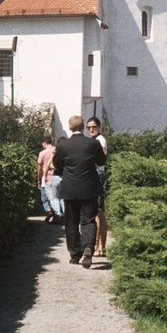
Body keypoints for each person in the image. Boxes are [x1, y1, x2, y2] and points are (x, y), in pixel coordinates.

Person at [52, 115, 107, 268]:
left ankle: (75, 254)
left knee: (71, 222)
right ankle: (88, 247)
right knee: (88, 219)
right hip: (89, 188)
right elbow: (102, 161)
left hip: (69, 188)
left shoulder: (63, 146)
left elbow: (57, 165)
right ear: (83, 127)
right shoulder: (93, 143)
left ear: (70, 127)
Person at [87, 117, 110, 257]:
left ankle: (99, 246)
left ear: (99, 127)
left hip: (98, 176)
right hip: (97, 176)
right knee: (99, 213)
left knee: (98, 213)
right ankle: (101, 246)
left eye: (93, 126)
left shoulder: (99, 140)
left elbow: (101, 158)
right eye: (88, 127)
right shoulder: (96, 140)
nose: (91, 129)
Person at [36, 135, 58, 223]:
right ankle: (57, 216)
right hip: (57, 176)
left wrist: (38, 179)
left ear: (44, 143)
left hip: (46, 178)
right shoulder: (57, 150)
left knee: (45, 198)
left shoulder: (42, 153)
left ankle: (49, 211)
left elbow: (39, 168)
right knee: (56, 197)